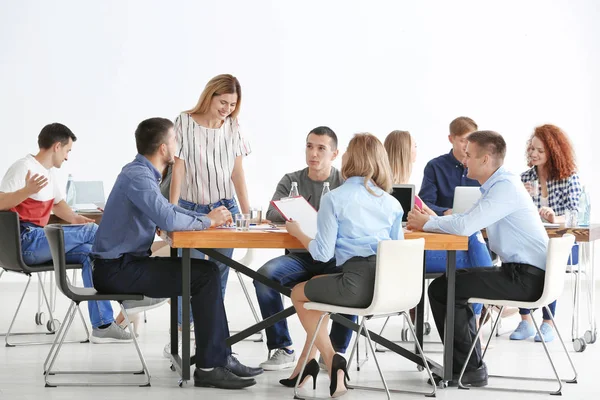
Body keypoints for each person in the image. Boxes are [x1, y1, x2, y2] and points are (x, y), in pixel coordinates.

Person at [91, 117, 262, 390]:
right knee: (204, 276)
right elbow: (168, 219)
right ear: (162, 148)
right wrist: (208, 221)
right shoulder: (138, 177)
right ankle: (210, 366)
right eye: (174, 141)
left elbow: (171, 212)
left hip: (123, 266)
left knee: (204, 272)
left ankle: (220, 358)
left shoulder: (141, 173)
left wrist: (205, 217)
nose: (178, 145)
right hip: (117, 271)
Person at [407, 130, 549, 387]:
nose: (464, 160)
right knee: (446, 285)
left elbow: (465, 225)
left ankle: (469, 369)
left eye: (469, 155)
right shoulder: (498, 185)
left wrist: (428, 223)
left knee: (443, 288)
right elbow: (466, 218)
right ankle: (467, 367)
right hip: (521, 272)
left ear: (485, 159)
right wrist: (431, 219)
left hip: (525, 278)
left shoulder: (504, 187)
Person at [285, 133, 404, 398]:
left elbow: (322, 254)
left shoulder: (335, 198)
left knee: (298, 293)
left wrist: (298, 233)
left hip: (355, 284)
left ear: (350, 158)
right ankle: (314, 364)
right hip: (388, 288)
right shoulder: (392, 203)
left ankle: (331, 358)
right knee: (316, 290)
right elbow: (397, 249)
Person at [0, 123, 135, 344]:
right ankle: (130, 272)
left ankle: (102, 324)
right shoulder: (22, 168)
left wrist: (75, 219)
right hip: (25, 243)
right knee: (92, 232)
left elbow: (58, 204)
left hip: (37, 241)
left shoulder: (48, 174)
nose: (67, 157)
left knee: (89, 253)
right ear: (56, 146)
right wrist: (25, 191)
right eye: (67, 150)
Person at [254, 126, 356, 371]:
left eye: (321, 148)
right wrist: (298, 214)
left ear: (334, 153)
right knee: (263, 277)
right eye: (310, 146)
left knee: (354, 281)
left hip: (334, 259)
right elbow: (271, 214)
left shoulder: (344, 183)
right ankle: (282, 346)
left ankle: (334, 352)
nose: (314, 153)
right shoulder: (292, 180)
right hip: (300, 258)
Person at [168, 74, 252, 350]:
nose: (227, 108)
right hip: (190, 208)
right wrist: (172, 210)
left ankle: (210, 335)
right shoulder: (184, 121)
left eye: (232, 104)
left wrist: (246, 212)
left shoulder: (233, 126)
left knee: (218, 273)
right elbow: (177, 169)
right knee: (186, 273)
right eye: (223, 102)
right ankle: (181, 334)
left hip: (225, 208)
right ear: (210, 95)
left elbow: (237, 172)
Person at [384, 130, 492, 324]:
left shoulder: (400, 190)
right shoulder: (396, 192)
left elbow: (433, 219)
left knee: (472, 243)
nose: (417, 150)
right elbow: (429, 221)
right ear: (406, 152)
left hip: (409, 254)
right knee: (471, 258)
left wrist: (432, 219)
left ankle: (480, 311)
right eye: (415, 146)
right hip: (409, 258)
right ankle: (481, 311)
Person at [510, 124, 582, 342]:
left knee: (548, 261)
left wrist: (555, 218)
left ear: (554, 152)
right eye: (531, 148)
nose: (533, 153)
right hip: (529, 242)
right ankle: (525, 321)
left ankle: (547, 322)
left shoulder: (569, 177)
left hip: (558, 243)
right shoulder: (524, 179)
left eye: (540, 150)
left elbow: (577, 214)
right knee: (517, 259)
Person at [418, 116, 480, 216]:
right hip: (442, 226)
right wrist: (445, 212)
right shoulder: (435, 166)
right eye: (463, 140)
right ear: (451, 139)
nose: (467, 145)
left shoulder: (482, 166)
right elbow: (425, 203)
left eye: (471, 141)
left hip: (477, 225)